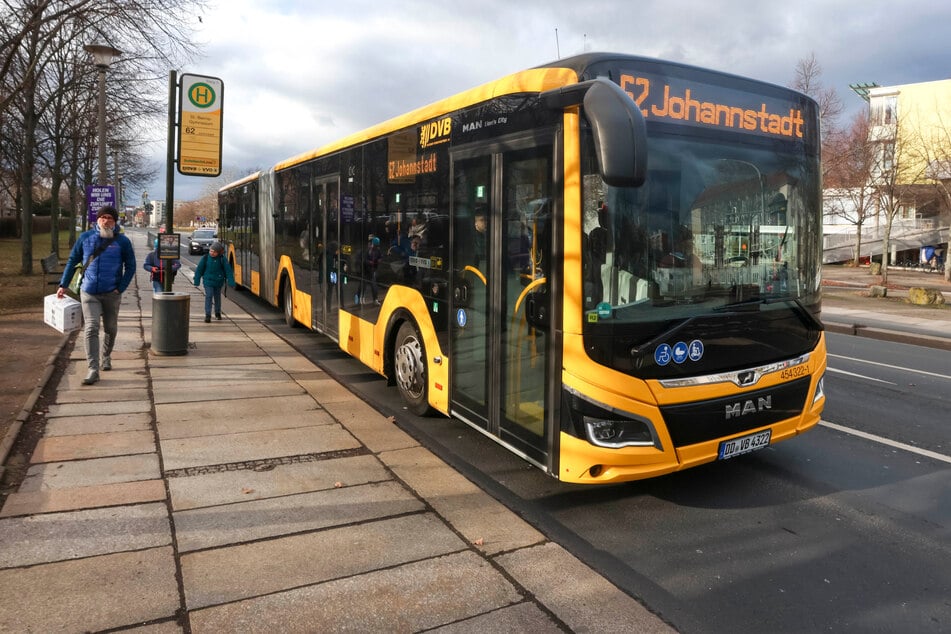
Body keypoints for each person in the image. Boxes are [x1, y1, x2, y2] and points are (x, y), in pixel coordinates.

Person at [57, 205, 136, 385]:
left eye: (110, 218)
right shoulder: (85, 238)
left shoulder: (122, 241)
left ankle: (106, 356)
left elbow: (131, 266)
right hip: (89, 292)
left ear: (115, 222)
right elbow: (72, 261)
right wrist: (63, 284)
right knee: (91, 328)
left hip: (111, 293)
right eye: (103, 217)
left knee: (110, 328)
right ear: (97, 220)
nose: (106, 221)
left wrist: (120, 288)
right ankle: (93, 368)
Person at [193, 241, 235, 322]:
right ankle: (208, 315)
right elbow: (199, 270)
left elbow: (228, 271)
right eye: (211, 251)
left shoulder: (223, 259)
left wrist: (231, 281)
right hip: (208, 281)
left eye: (214, 252)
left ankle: (217, 312)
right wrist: (196, 281)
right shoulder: (205, 258)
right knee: (209, 296)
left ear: (218, 253)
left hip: (218, 282)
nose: (212, 253)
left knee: (217, 297)